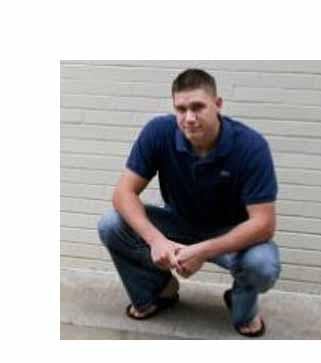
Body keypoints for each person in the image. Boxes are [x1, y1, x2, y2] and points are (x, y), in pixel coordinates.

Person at [98, 68, 281, 337]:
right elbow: (123, 194)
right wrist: (156, 240)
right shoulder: (159, 132)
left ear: (218, 104)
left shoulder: (251, 147)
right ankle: (159, 291)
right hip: (178, 223)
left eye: (198, 107)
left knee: (262, 264)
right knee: (111, 224)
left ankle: (241, 305)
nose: (189, 118)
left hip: (228, 232)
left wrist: (202, 252)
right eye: (181, 109)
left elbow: (264, 224)